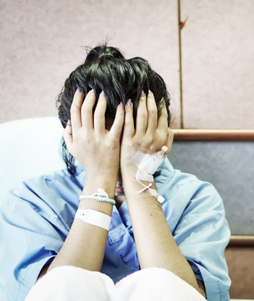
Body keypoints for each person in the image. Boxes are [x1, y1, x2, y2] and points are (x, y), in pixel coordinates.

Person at [0, 44, 231, 301]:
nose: (118, 156)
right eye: (105, 141)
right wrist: (100, 178)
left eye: (132, 138)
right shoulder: (32, 200)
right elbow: (51, 293)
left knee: (162, 283)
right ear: (72, 137)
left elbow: (189, 295)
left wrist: (138, 179)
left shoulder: (195, 197)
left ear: (162, 132)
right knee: (64, 280)